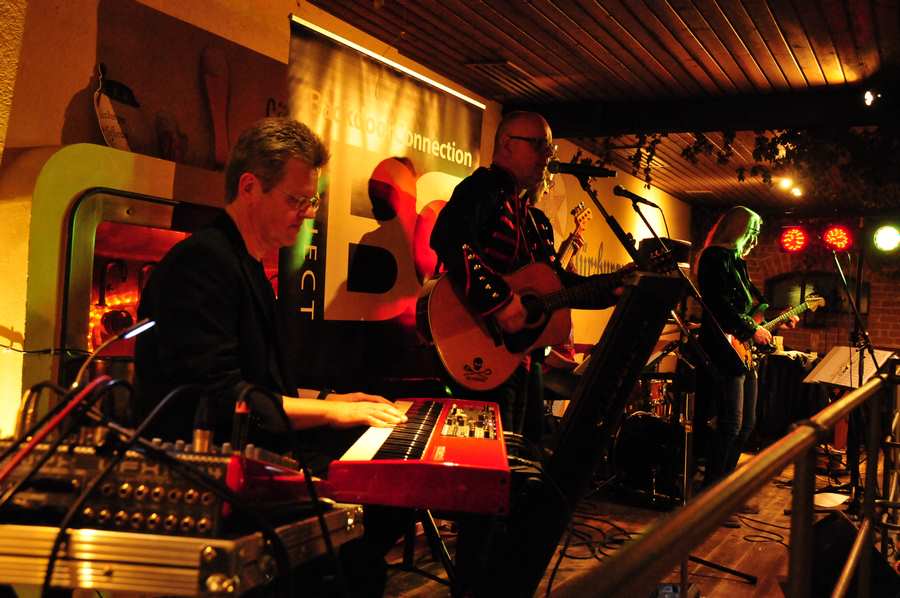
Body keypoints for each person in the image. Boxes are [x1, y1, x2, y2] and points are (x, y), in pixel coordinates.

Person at [135, 117, 408, 596]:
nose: (306, 213)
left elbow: (257, 382)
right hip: (211, 476)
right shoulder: (203, 263)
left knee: (388, 492)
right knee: (365, 538)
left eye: (311, 201)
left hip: (254, 455)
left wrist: (332, 400)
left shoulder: (242, 263)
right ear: (249, 188)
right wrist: (331, 412)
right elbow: (223, 396)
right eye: (296, 200)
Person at [429, 111, 628, 440]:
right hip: (477, 349)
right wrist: (500, 302)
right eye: (539, 146)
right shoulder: (483, 188)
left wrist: (612, 287)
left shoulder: (529, 216)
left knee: (518, 452)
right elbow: (449, 238)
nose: (546, 157)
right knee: (487, 453)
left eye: (549, 149)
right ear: (508, 144)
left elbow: (557, 285)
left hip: (517, 360)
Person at [695, 206, 796, 498]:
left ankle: (725, 489)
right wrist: (751, 329)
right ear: (735, 229)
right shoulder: (715, 257)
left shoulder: (737, 262)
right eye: (751, 231)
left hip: (742, 351)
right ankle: (711, 492)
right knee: (731, 423)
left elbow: (751, 309)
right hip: (724, 349)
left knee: (747, 424)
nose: (754, 239)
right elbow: (718, 304)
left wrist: (776, 317)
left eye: (757, 233)